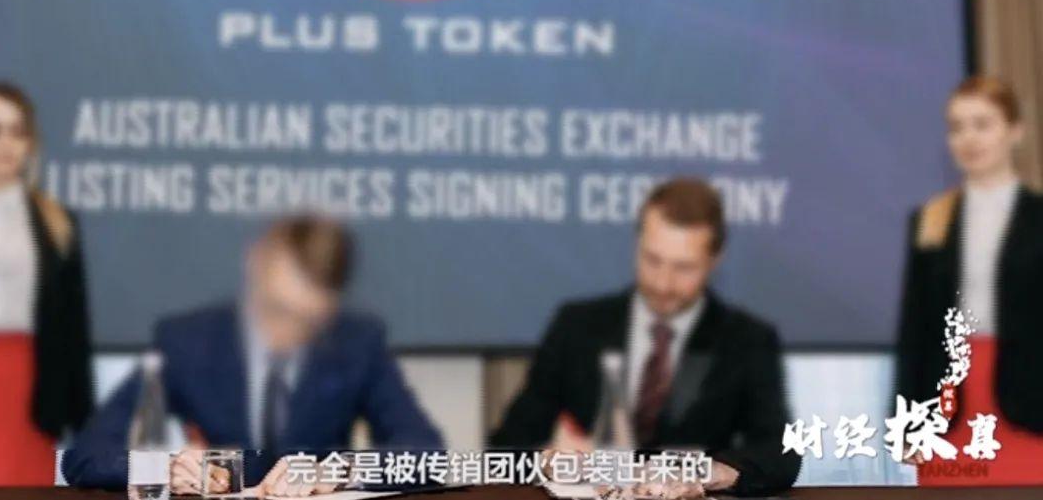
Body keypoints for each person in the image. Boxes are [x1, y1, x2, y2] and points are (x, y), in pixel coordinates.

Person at [63, 214, 443, 496]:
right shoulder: (186, 342)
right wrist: (165, 467)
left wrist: (341, 470)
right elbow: (85, 455)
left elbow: (426, 453)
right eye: (277, 310)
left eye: (305, 320)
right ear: (254, 265)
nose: (285, 332)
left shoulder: (356, 342)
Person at [491, 177, 799, 497]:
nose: (663, 284)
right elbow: (505, 447)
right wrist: (546, 461)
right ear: (637, 244)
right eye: (653, 260)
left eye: (684, 268)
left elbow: (783, 450)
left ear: (714, 260)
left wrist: (716, 473)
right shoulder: (577, 326)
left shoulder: (747, 340)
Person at [894, 76, 1043, 486]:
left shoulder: (1039, 218)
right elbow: (915, 329)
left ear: (1015, 131)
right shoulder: (931, 219)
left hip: (1029, 400)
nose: (968, 138)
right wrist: (907, 423)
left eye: (982, 124)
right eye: (957, 127)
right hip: (947, 402)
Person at [0, 82, 93, 485]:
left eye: (17, 132)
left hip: (34, 385)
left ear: (31, 142)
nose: (5, 144)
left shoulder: (57, 221)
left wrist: (87, 425)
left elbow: (73, 326)